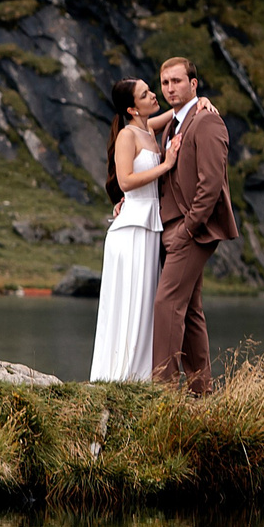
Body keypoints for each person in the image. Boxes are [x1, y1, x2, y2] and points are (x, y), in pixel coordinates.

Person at [148, 56, 238, 394]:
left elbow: (211, 185)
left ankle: (164, 391)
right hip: (173, 227)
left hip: (193, 230)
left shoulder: (208, 123)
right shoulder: (173, 123)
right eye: (165, 82)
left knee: (166, 303)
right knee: (192, 312)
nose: (170, 88)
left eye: (177, 81)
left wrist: (188, 228)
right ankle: (202, 392)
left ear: (193, 84)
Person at [89, 76, 174, 381]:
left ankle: (139, 375)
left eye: (150, 90)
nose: (154, 95)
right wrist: (166, 166)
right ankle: (122, 375)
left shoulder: (147, 128)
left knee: (144, 301)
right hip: (133, 228)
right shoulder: (128, 135)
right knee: (131, 302)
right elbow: (125, 181)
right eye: (145, 94)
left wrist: (199, 101)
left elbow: (178, 112)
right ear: (132, 107)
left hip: (148, 226)